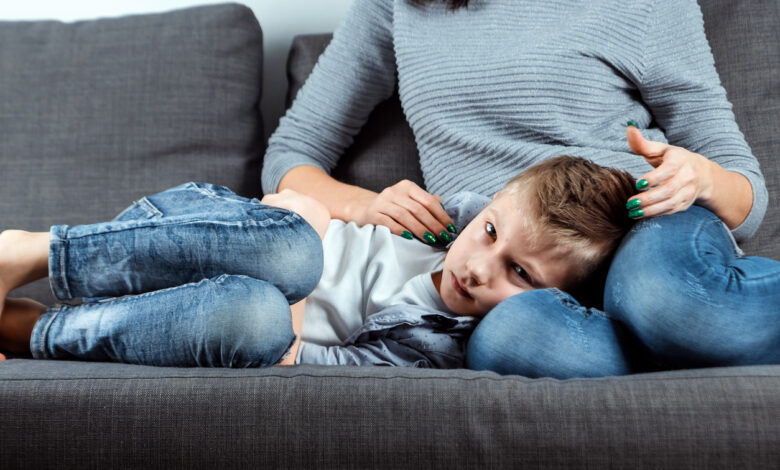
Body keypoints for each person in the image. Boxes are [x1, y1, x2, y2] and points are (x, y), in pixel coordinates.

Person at [261, 0, 780, 377]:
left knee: (670, 303)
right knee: (519, 343)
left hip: (641, 224)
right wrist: (367, 203)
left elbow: (747, 194)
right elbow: (292, 154)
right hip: (506, 265)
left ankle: (677, 330)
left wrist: (701, 177)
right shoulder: (399, 6)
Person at [0, 156, 637, 367]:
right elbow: (281, 205)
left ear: (557, 303)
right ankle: (30, 251)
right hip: (190, 235)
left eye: (519, 274)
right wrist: (311, 215)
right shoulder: (445, 221)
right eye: (490, 232)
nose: (479, 265)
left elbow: (300, 363)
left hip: (205, 317)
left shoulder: (438, 346)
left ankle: (28, 329)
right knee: (292, 244)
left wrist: (298, 280)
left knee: (261, 316)